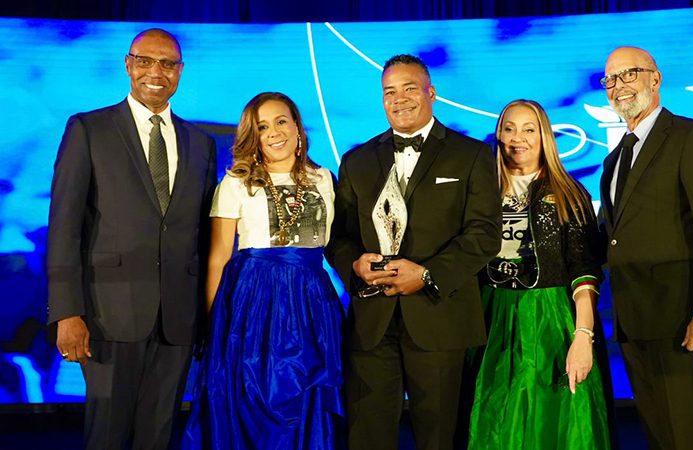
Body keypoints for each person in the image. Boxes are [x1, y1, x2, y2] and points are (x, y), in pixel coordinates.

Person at [47, 28, 217, 449]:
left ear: (180, 72)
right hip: (107, 318)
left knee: (157, 437)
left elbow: (202, 234)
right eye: (145, 61)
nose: (155, 72)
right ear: (128, 65)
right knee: (105, 436)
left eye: (167, 64)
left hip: (177, 322)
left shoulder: (201, 144)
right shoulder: (89, 129)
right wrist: (67, 312)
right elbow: (64, 226)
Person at [325, 54, 502, 450]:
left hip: (440, 317)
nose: (399, 99)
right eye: (389, 91)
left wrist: (426, 274)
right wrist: (354, 264)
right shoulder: (357, 160)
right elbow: (339, 236)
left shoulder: (471, 155)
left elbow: (484, 235)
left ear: (431, 93)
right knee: (367, 434)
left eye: (409, 89)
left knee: (439, 436)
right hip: (372, 322)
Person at [182, 92, 344, 449]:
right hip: (253, 306)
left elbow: (333, 246)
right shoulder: (235, 183)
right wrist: (214, 326)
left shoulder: (324, 180)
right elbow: (218, 257)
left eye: (281, 121)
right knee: (251, 395)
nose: (274, 132)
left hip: (311, 304)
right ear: (253, 137)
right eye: (263, 127)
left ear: (298, 128)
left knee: (308, 395)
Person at [598, 46, 693, 450]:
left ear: (655, 79)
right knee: (659, 434)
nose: (619, 86)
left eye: (629, 74)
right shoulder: (614, 159)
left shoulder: (691, 138)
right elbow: (615, 236)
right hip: (634, 318)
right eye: (611, 79)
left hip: (680, 319)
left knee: (684, 434)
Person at [467, 99, 611, 450]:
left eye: (529, 129)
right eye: (509, 128)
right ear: (498, 134)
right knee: (494, 420)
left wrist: (582, 335)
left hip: (550, 318)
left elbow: (584, 270)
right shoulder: (478, 189)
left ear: (544, 135)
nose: (518, 138)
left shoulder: (567, 192)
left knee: (555, 421)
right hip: (490, 317)